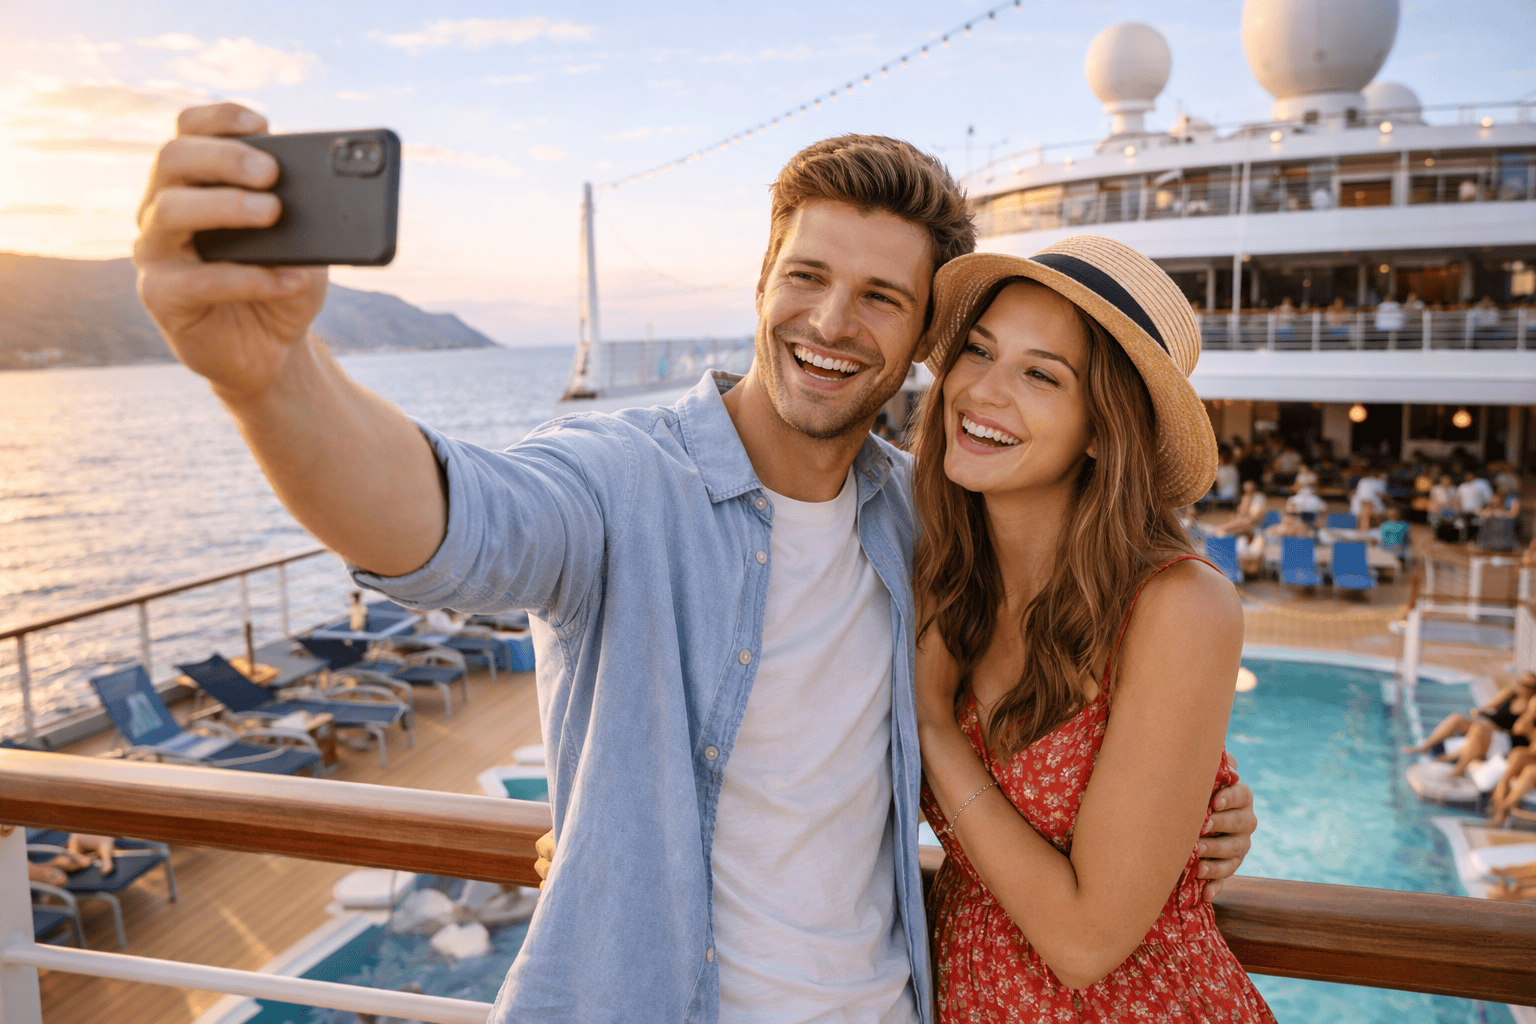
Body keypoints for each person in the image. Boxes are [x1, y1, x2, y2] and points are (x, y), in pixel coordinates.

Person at [134, 105, 1256, 1023]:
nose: (831, 320)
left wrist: (1210, 807)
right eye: (808, 274)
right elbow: (447, 522)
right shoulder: (625, 481)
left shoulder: (917, 527)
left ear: (918, 336)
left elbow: (1077, 723)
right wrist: (270, 382)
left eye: (881, 297)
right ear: (763, 275)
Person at [909, 239, 1273, 1020]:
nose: (982, 391)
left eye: (1041, 373)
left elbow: (1085, 943)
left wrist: (933, 727)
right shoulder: (935, 576)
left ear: (1104, 429)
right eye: (979, 350)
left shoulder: (1176, 606)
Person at [1403, 672, 1535, 779]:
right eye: (1520, 682)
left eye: (1525, 684)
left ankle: (1458, 769)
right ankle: (1425, 746)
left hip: (1500, 735)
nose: (1520, 686)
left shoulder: (1531, 709)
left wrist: (1531, 709)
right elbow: (1487, 708)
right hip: (1486, 724)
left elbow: (1518, 730)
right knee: (1457, 718)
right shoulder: (1510, 695)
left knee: (1479, 728)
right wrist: (1478, 713)